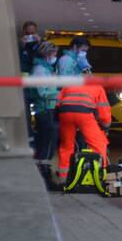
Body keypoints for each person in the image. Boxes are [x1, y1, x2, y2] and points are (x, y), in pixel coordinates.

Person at [56, 72, 111, 183]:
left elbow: (58, 103)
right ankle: (100, 176)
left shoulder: (70, 84)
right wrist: (106, 125)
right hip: (84, 114)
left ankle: (63, 178)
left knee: (66, 146)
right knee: (98, 144)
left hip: (64, 113)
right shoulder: (97, 87)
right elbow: (104, 110)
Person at [30, 41, 60, 186]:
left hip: (48, 109)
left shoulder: (46, 68)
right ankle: (44, 177)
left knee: (48, 143)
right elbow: (43, 93)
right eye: (54, 54)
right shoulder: (40, 70)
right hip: (45, 110)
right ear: (47, 54)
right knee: (47, 144)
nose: (55, 56)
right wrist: (58, 94)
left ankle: (44, 174)